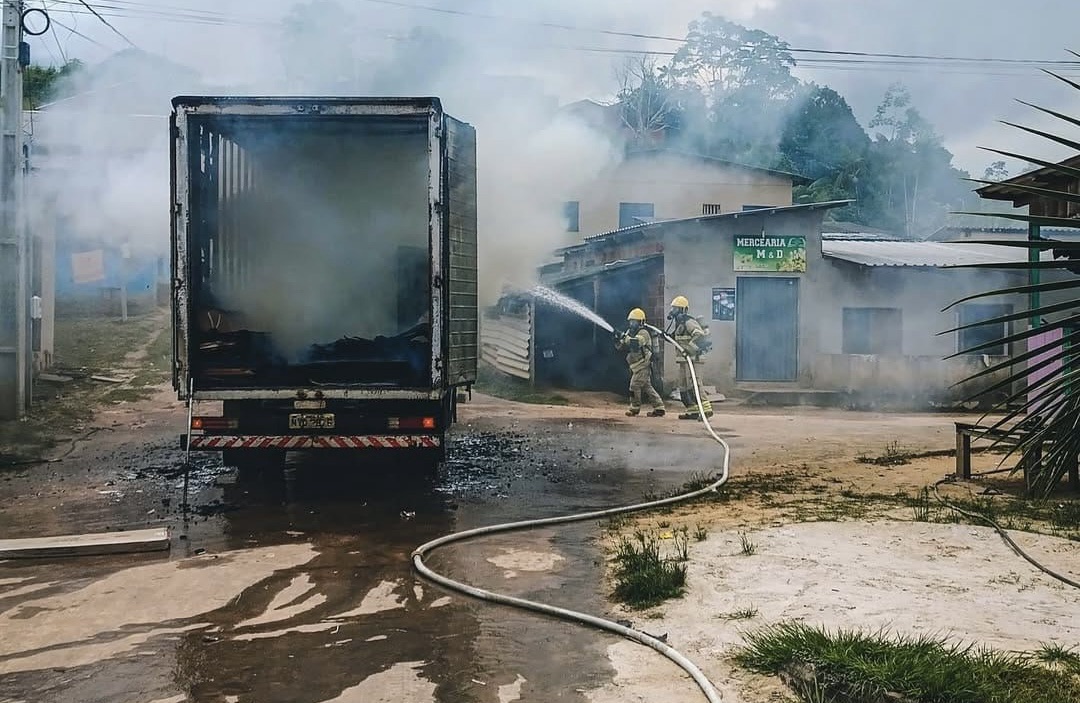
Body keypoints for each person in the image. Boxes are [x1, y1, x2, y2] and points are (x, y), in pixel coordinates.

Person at [667, 295, 713, 420]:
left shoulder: (689, 322)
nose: (673, 311)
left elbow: (699, 335)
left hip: (694, 358)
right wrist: (667, 336)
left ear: (683, 310)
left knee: (695, 384)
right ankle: (692, 410)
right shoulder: (679, 324)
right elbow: (679, 339)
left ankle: (706, 409)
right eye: (673, 308)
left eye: (676, 308)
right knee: (683, 386)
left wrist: (689, 349)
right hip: (684, 360)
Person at [615, 308, 665, 417]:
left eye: (634, 321)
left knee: (634, 386)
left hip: (643, 364)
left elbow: (635, 343)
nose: (631, 324)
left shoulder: (644, 333)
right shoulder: (630, 332)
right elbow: (621, 346)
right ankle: (659, 407)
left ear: (640, 322)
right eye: (631, 321)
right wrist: (618, 339)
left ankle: (634, 408)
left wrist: (624, 336)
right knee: (647, 387)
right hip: (636, 365)